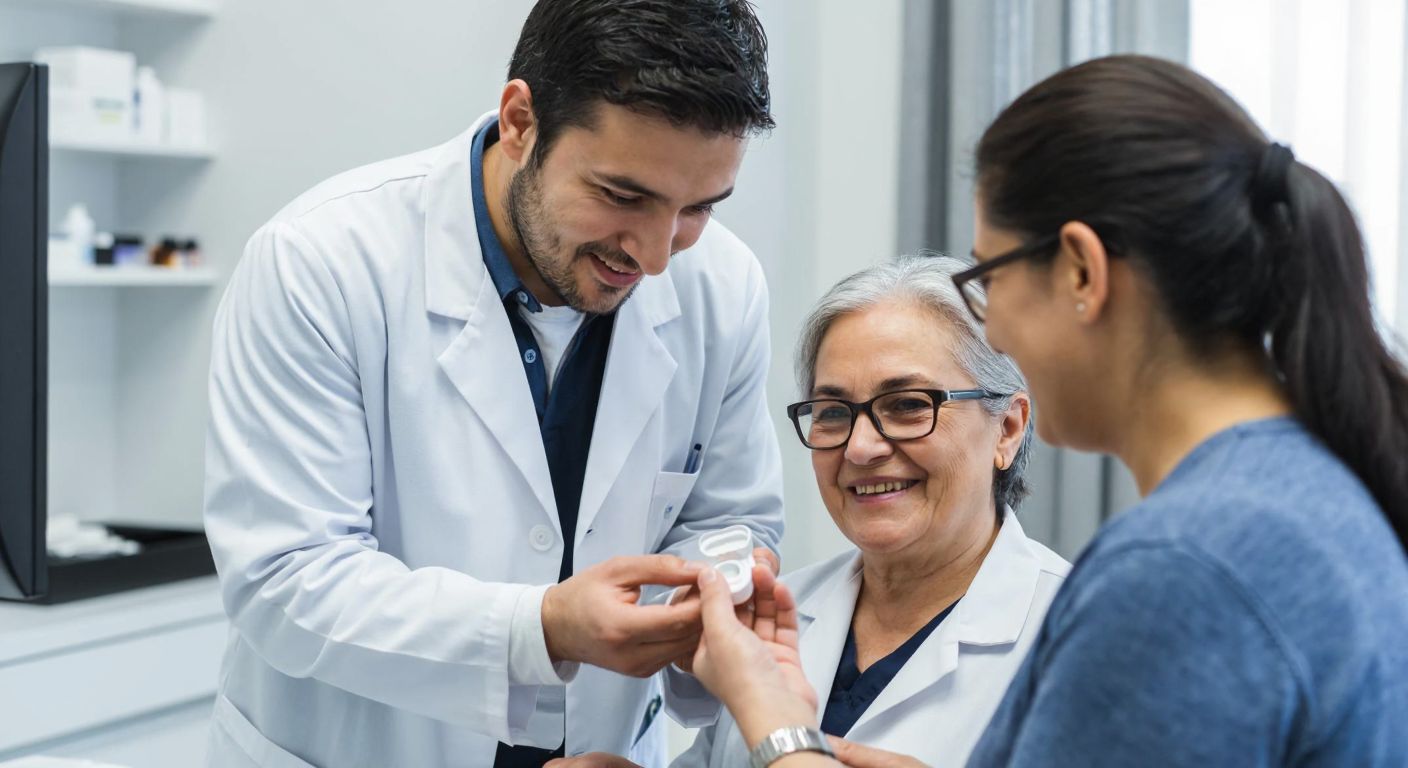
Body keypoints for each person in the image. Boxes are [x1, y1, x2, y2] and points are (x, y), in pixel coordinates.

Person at [680, 54, 1408, 768]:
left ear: (1082, 272)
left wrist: (777, 729)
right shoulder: (1302, 490)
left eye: (989, 278)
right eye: (836, 412)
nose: (995, 331)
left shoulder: (1180, 569)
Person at [201, 1, 785, 766]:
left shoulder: (725, 285)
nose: (654, 256)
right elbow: (286, 579)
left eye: (699, 207)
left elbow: (732, 517)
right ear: (520, 121)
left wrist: (719, 584)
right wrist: (538, 628)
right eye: (622, 195)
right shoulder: (320, 263)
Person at [552, 257, 1068, 768]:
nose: (861, 447)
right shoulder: (781, 610)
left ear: (1007, 428)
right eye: (833, 413)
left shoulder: (1072, 639)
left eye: (908, 405)